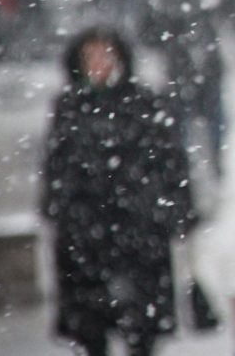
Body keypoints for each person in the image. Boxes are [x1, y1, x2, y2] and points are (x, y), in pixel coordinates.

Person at [41, 27, 198, 356]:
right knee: (90, 330)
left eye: (105, 54)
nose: (99, 64)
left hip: (139, 236)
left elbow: (170, 162)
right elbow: (56, 168)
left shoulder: (143, 103)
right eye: (90, 56)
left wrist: (175, 210)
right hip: (86, 242)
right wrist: (64, 211)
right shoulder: (70, 108)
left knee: (142, 329)